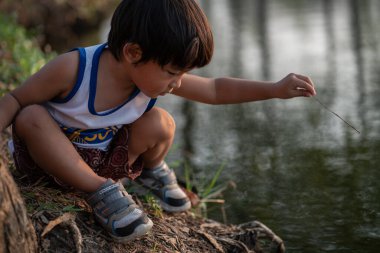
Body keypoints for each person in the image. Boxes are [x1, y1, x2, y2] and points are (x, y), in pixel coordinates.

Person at [0, 0, 316, 244]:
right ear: (133, 52)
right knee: (31, 116)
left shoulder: (149, 75)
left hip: (104, 161)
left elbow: (216, 89)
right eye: (172, 72)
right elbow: (15, 100)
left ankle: (151, 173)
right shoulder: (74, 69)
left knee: (160, 122)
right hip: (50, 163)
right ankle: (99, 191)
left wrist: (275, 89)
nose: (177, 83)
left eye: (182, 73)